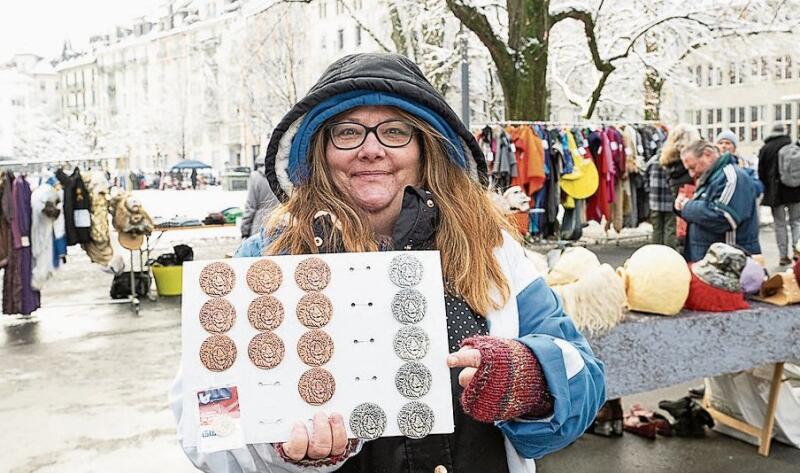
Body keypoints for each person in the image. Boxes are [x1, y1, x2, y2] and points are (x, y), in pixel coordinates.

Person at [170, 53, 605, 473]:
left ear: (425, 147)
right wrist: (280, 452)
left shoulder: (491, 251)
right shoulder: (266, 260)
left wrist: (531, 379)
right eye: (347, 132)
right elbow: (206, 421)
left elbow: (584, 378)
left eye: (395, 132)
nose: (371, 150)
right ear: (320, 151)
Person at [675, 139, 761, 262]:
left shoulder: (731, 177)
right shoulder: (712, 177)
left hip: (727, 262)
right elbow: (704, 211)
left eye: (693, 167)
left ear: (708, 154)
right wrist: (680, 208)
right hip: (712, 259)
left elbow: (724, 217)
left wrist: (687, 206)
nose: (691, 174)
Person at [757, 124, 800, 266]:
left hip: (775, 194)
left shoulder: (765, 149)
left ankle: (783, 256)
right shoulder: (792, 145)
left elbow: (761, 173)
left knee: (780, 224)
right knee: (795, 222)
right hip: (795, 190)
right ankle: (797, 252)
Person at [240, 154, 279, 239]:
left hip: (260, 223)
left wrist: (244, 230)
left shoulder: (255, 177)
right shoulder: (281, 175)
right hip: (279, 221)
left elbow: (250, 206)